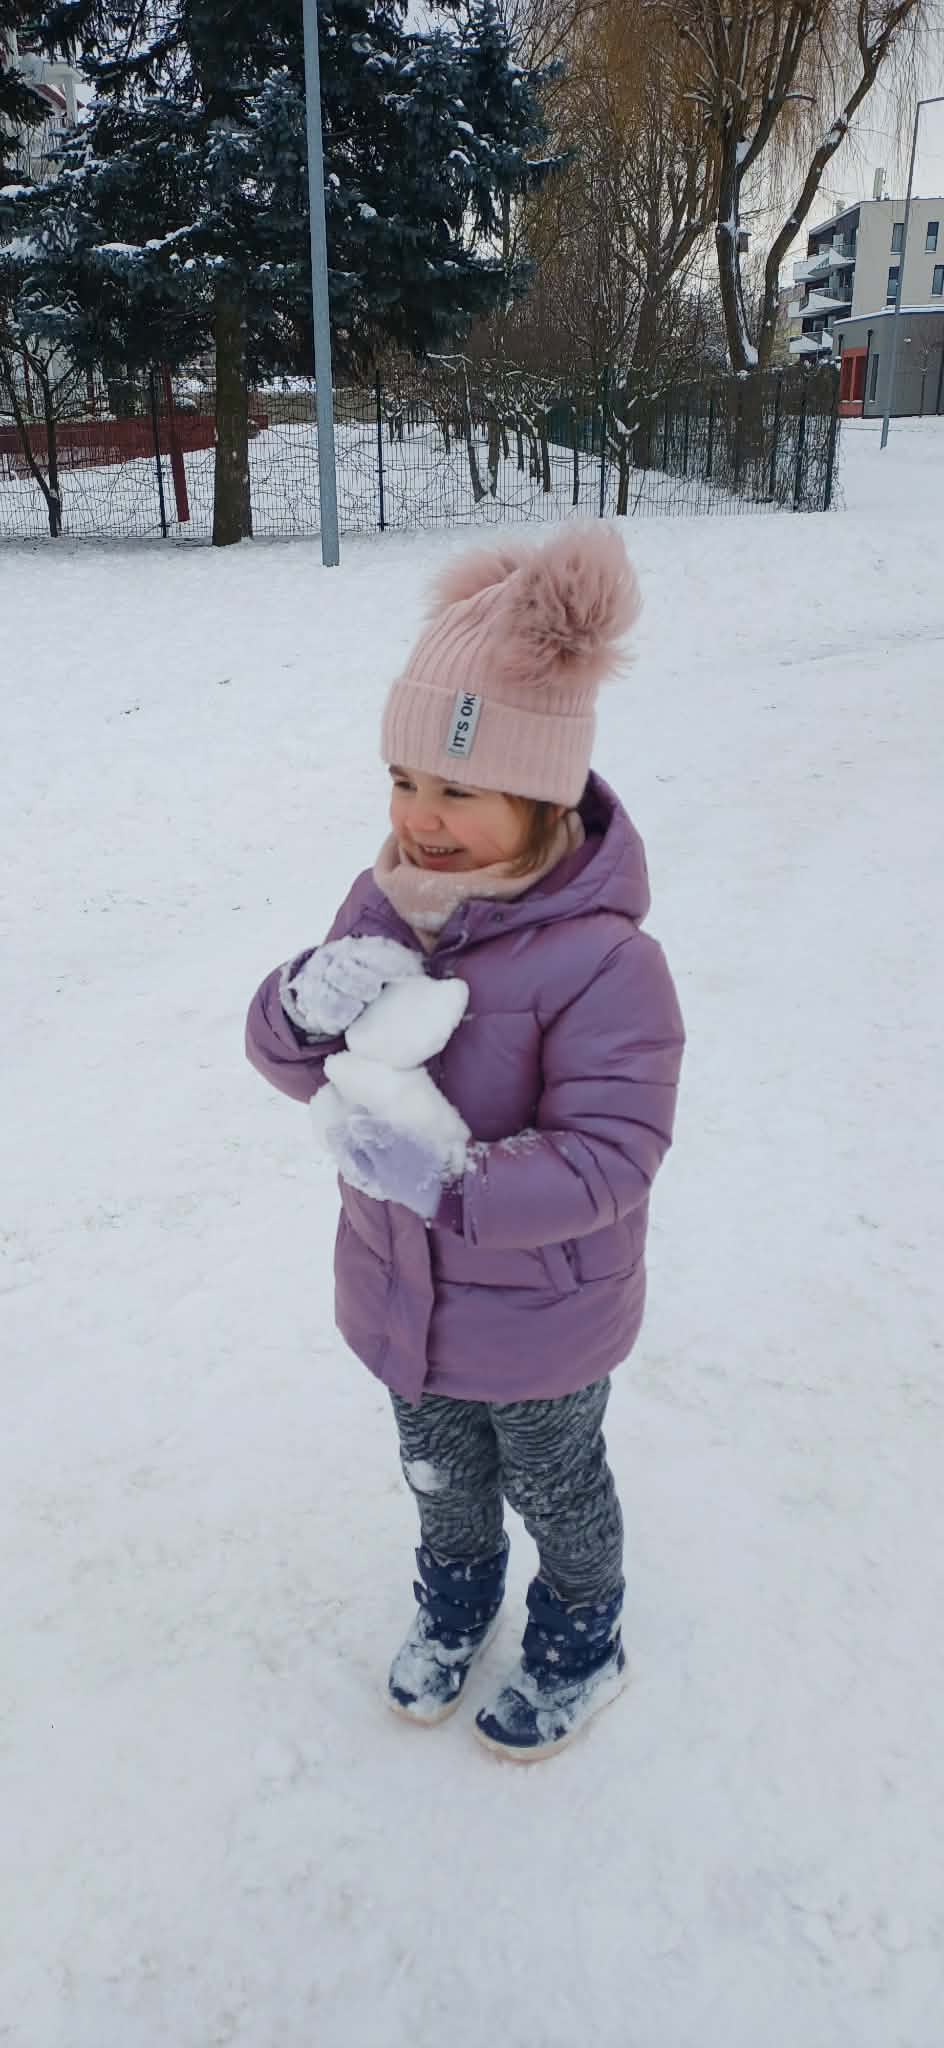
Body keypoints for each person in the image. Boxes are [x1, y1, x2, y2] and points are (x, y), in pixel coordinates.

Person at [246, 524, 684, 1762]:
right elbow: (297, 1066)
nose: (419, 819)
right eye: (403, 781)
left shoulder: (605, 963)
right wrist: (299, 1007)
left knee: (553, 1480)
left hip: (543, 1318)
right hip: (400, 1297)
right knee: (438, 1474)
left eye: (455, 790)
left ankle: (581, 1632)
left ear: (540, 797)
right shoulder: (388, 903)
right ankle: (456, 1598)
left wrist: (447, 1181)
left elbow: (611, 1156)